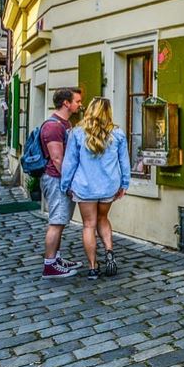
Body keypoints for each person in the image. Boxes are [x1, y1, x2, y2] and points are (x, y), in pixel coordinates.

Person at [61, 97, 130, 281]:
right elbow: (124, 162)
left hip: (85, 187)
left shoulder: (77, 133)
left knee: (89, 225)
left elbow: (70, 163)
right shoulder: (118, 134)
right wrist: (125, 183)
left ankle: (92, 267)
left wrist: (65, 184)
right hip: (108, 186)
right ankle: (109, 251)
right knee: (103, 219)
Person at [41, 87, 84, 278]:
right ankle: (50, 265)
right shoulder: (54, 126)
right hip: (56, 179)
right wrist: (69, 183)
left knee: (61, 221)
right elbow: (57, 159)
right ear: (66, 103)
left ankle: (56, 258)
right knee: (56, 222)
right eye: (77, 101)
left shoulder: (64, 124)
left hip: (61, 179)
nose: (80, 105)